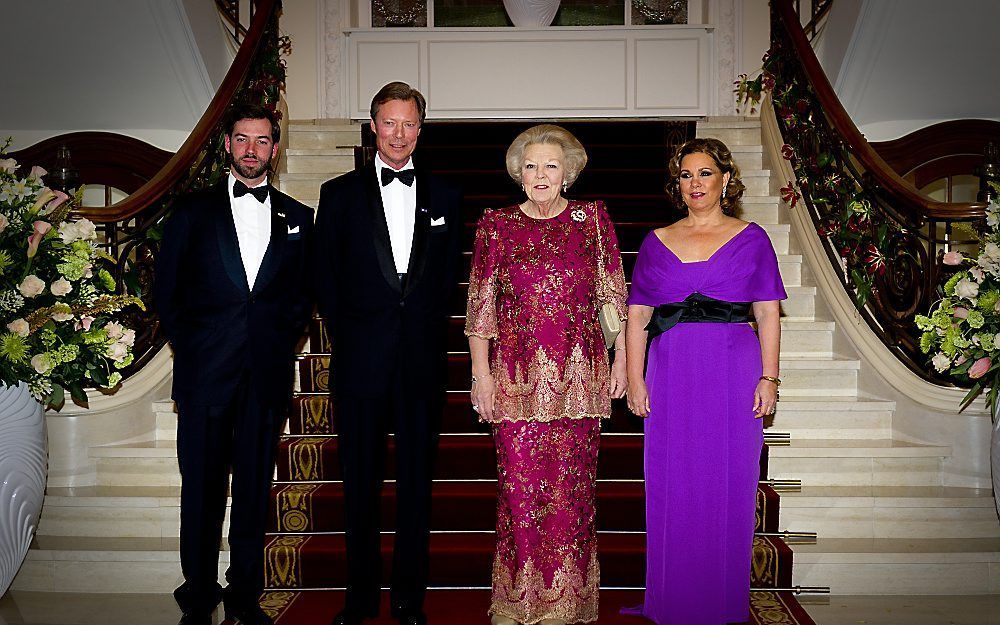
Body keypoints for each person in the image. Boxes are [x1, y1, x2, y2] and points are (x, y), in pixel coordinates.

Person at [154, 103, 314, 625]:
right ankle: (198, 590)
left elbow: (301, 297)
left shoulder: (298, 217)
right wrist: (195, 346)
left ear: (275, 146)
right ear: (227, 144)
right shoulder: (191, 211)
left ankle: (244, 590)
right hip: (205, 375)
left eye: (262, 140)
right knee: (200, 487)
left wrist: (279, 340)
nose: (252, 150)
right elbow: (167, 292)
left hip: (265, 376)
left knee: (252, 488)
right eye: (243, 139)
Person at [312, 81, 463, 625]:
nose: (399, 134)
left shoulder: (447, 197)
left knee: (416, 488)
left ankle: (408, 601)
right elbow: (324, 278)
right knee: (360, 488)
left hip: (421, 363)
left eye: (409, 123)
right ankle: (359, 600)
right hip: (360, 364)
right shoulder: (338, 194)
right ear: (373, 127)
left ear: (421, 129)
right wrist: (356, 332)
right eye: (389, 123)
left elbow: (449, 278)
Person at [466, 124, 628, 625]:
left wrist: (622, 359)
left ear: (568, 173)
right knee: (518, 495)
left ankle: (567, 601)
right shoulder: (495, 225)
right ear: (519, 174)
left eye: (551, 165)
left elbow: (612, 295)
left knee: (571, 494)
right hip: (514, 381)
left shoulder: (592, 220)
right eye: (531, 165)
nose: (540, 174)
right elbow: (480, 309)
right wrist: (480, 375)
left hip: (580, 379)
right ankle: (518, 601)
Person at [622, 138, 786, 625]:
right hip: (670, 372)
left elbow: (768, 313)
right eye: (686, 176)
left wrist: (769, 377)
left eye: (705, 174)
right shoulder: (657, 241)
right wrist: (635, 379)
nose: (695, 184)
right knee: (673, 483)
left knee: (728, 484)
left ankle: (720, 601)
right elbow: (636, 317)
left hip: (733, 372)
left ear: (726, 180)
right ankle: (672, 599)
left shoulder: (752, 238)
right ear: (677, 185)